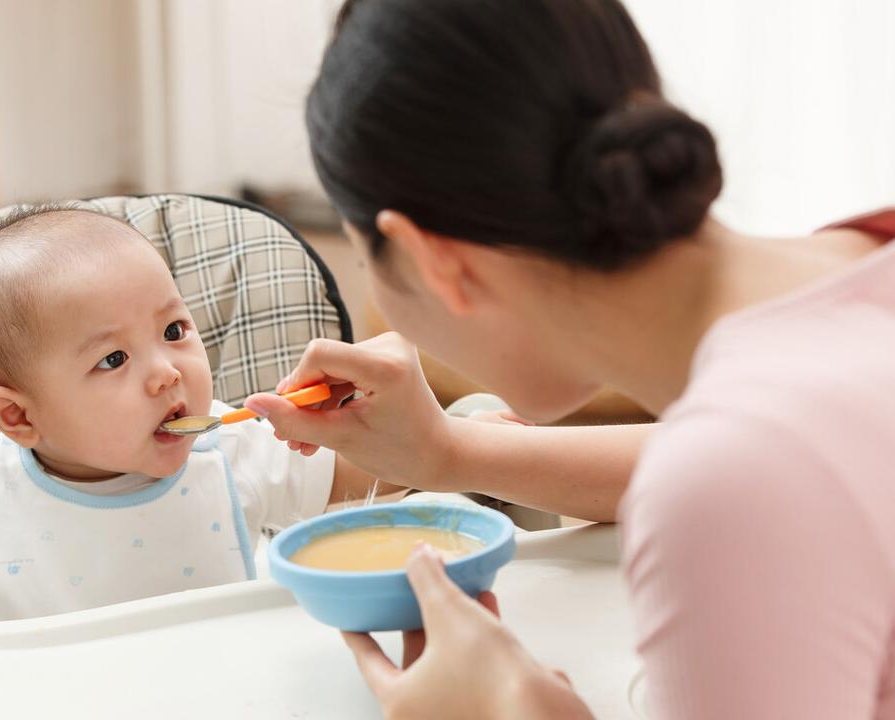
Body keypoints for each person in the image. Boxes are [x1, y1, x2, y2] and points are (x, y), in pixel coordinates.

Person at [242, 0, 895, 717]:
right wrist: (446, 453)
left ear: (435, 260)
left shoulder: (730, 480)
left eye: (372, 264)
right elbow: (794, 463)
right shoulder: (864, 262)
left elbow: (743, 475)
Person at [0, 206, 390, 627]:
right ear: (17, 417)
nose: (167, 372)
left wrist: (455, 434)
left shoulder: (229, 450)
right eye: (114, 358)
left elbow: (371, 469)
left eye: (174, 330)